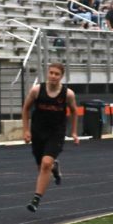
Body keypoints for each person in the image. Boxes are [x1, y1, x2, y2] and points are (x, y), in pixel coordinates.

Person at [21, 63, 78, 212]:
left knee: (45, 163)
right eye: (51, 73)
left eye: (56, 74)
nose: (53, 76)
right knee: (42, 166)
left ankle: (36, 199)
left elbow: (74, 112)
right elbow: (26, 109)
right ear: (47, 73)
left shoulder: (68, 94)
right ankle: (55, 167)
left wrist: (74, 132)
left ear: (61, 76)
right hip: (38, 132)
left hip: (56, 133)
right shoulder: (37, 90)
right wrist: (26, 130)